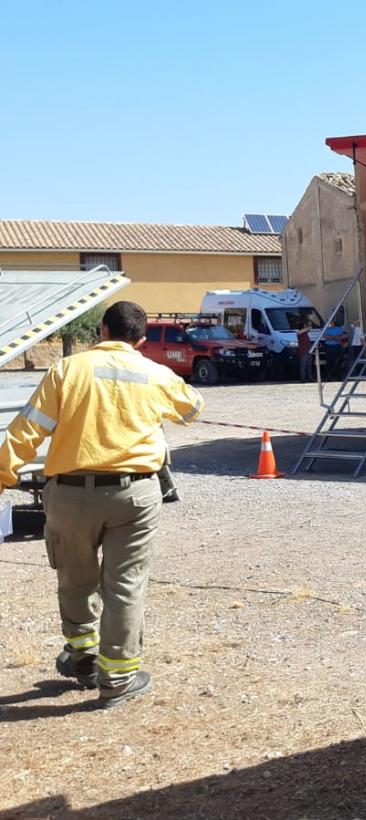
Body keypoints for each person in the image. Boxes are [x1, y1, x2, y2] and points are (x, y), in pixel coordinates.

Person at [0, 301, 204, 707]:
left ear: (102, 331)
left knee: (74, 578)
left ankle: (83, 658)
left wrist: (4, 475)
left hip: (70, 494)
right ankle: (118, 678)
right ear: (141, 340)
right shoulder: (154, 373)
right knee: (125, 585)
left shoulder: (66, 371)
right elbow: (193, 408)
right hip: (135, 494)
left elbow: (27, 431)